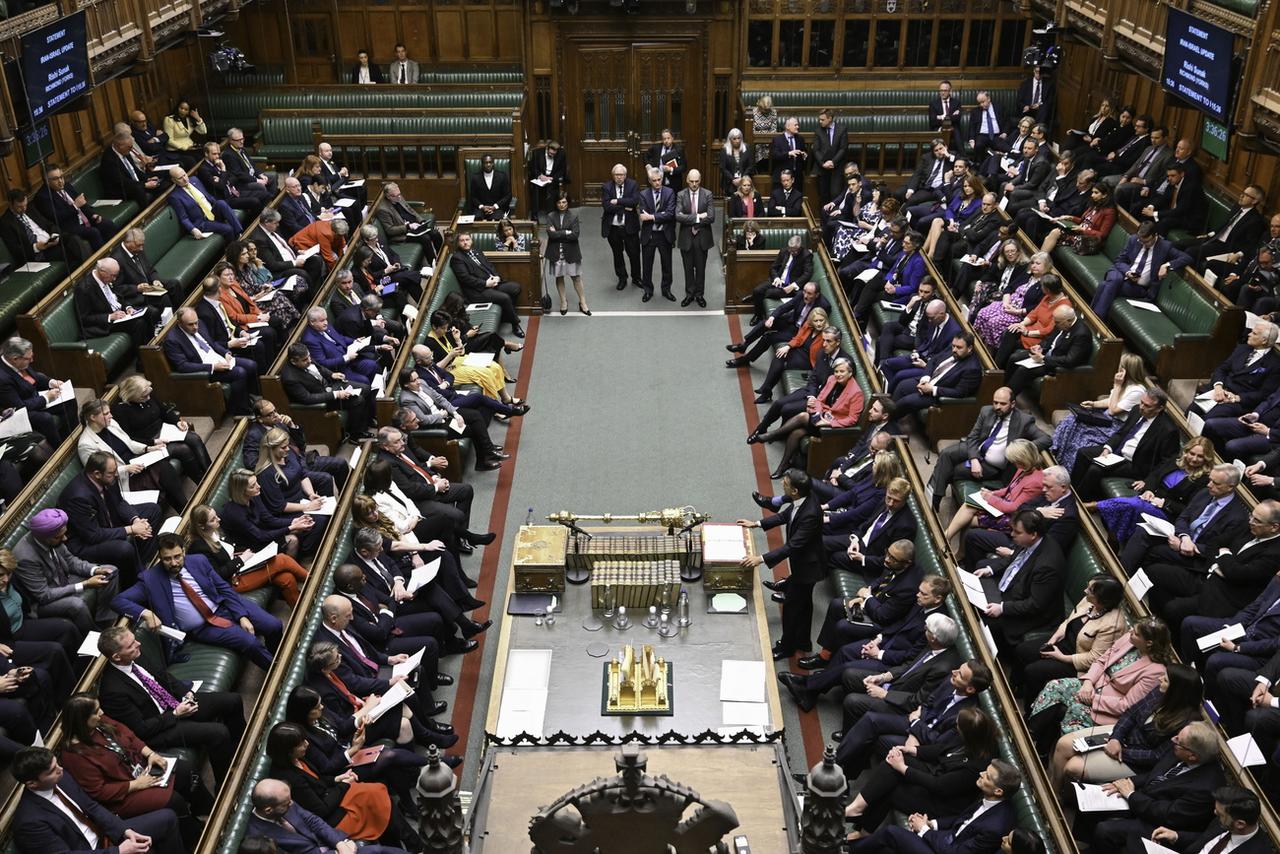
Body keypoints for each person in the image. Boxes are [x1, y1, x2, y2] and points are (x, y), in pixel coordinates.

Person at [58, 693, 211, 849]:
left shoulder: (99, 722)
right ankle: (196, 840)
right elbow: (100, 791)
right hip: (121, 795)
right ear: (82, 720)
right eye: (96, 711)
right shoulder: (74, 755)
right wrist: (137, 784)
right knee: (173, 800)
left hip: (139, 767)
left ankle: (207, 813)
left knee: (185, 771)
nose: (102, 713)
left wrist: (150, 754)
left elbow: (128, 735)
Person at [96, 625, 246, 784]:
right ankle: (225, 783)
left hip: (173, 704)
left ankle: (240, 749)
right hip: (158, 727)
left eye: (135, 640)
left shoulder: (135, 656)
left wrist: (185, 693)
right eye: (131, 645)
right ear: (117, 657)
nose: (138, 644)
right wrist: (175, 714)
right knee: (218, 733)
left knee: (233, 701)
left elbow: (162, 676)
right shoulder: (112, 691)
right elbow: (141, 729)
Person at [112, 533, 282, 668]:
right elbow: (118, 601)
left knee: (274, 625)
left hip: (224, 606)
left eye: (177, 556)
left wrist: (241, 616)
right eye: (167, 559)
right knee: (250, 643)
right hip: (203, 627)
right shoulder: (150, 580)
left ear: (184, 552)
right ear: (160, 558)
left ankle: (274, 656)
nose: (173, 562)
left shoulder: (198, 561)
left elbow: (224, 589)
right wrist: (146, 613)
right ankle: (276, 675)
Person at [843, 707, 999, 836]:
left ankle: (862, 831)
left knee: (893, 788)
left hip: (943, 802)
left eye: (958, 726)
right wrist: (912, 750)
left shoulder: (975, 767)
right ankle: (857, 808)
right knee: (895, 760)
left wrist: (903, 768)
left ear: (968, 735)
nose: (956, 727)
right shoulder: (970, 738)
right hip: (938, 774)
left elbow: (940, 786)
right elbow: (940, 749)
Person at [265, 722, 416, 850]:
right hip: (331, 818)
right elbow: (321, 810)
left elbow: (319, 780)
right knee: (376, 797)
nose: (307, 744)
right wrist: (343, 785)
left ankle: (406, 844)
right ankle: (413, 844)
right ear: (289, 752)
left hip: (332, 797)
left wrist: (338, 778)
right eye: (301, 744)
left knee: (377, 794)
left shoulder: (299, 758)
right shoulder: (290, 779)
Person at [1049, 663, 1202, 787]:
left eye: (1166, 679)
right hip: (1121, 736)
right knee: (1064, 744)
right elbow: (1131, 713)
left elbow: (1157, 757)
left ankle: (1067, 799)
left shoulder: (1186, 723)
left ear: (1177, 691)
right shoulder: (1160, 691)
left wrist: (1120, 750)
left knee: (1073, 767)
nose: (1160, 679)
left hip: (1135, 760)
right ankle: (1054, 792)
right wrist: (1116, 738)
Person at [1028, 618, 1172, 748]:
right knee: (1054, 686)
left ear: (1149, 643)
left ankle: (1047, 751)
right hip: (1092, 685)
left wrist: (1092, 699)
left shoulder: (1156, 671)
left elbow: (1127, 705)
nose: (1130, 632)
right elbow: (1101, 661)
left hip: (1107, 706)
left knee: (1076, 709)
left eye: (1136, 633)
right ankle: (1030, 735)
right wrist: (1088, 683)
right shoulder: (1129, 639)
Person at [11, 747, 184, 854]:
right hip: (92, 851)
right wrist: (118, 852)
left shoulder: (61, 779)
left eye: (57, 764)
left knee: (167, 819)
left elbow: (91, 807)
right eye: (52, 770)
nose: (61, 770)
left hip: (106, 837)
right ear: (32, 783)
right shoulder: (29, 822)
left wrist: (124, 830)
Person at [1087, 722, 1222, 850]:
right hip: (1145, 799)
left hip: (1160, 824)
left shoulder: (1205, 788)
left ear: (1192, 756)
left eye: (1178, 741)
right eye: (1177, 735)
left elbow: (1168, 815)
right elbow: (1154, 774)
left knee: (1105, 830)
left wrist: (1131, 795)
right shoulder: (1182, 748)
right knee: (1096, 797)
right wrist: (1129, 782)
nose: (1172, 740)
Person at [845, 759, 1021, 854]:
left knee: (891, 833)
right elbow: (962, 820)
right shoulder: (989, 798)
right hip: (946, 839)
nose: (982, 773)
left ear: (998, 791)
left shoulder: (995, 827)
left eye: (988, 776)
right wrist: (932, 824)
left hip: (948, 850)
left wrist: (924, 831)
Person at [738, 469, 824, 660]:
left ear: (794, 491)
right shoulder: (803, 498)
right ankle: (803, 641)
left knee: (792, 609)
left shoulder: (810, 513)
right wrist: (757, 523)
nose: (782, 484)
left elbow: (792, 546)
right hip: (805, 563)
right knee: (804, 605)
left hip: (807, 568)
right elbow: (785, 516)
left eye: (785, 483)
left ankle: (787, 647)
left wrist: (760, 558)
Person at [926, 386, 1050, 512]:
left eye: (1003, 404)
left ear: (1013, 404)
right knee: (946, 453)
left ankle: (932, 499)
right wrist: (974, 459)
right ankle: (934, 499)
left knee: (954, 470)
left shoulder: (1024, 420)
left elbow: (1046, 439)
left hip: (993, 465)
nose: (997, 407)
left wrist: (1022, 449)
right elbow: (973, 437)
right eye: (995, 402)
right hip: (979, 450)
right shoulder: (986, 411)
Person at [1015, 573, 1128, 703]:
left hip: (1078, 661)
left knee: (1033, 671)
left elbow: (1094, 659)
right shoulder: (1088, 600)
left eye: (1090, 590)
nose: (1085, 591)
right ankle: (1016, 689)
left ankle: (1030, 709)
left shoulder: (1113, 625)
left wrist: (1060, 657)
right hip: (1065, 643)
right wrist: (1052, 640)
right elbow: (1070, 620)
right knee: (1023, 649)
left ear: (1102, 599)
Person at [57, 451, 163, 588]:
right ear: (97, 474)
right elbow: (92, 535)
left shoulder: (108, 478)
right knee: (124, 549)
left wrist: (135, 520)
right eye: (112, 473)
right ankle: (134, 584)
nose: (116, 475)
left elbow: (119, 503)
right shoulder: (78, 497)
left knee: (153, 510)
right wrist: (130, 529)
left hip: (108, 521)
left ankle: (141, 564)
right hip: (84, 544)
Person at [12, 508, 118, 635]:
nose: (65, 539)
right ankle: (96, 638)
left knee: (111, 571)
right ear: (44, 538)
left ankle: (106, 622)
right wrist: (85, 584)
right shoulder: (25, 557)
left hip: (64, 580)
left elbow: (71, 561)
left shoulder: (53, 537)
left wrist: (95, 570)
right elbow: (43, 595)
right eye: (59, 537)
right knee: (76, 605)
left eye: (64, 533)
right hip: (42, 602)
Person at [1090, 436, 1213, 544]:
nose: (1194, 458)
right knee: (1129, 507)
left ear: (1206, 459)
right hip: (1149, 499)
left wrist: (1165, 504)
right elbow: (1155, 475)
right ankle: (1114, 541)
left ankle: (1095, 506)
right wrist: (1149, 489)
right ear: (1186, 451)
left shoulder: (1204, 480)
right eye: (1192, 453)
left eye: (1200, 456)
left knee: (1133, 505)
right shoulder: (1176, 461)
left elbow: (1190, 510)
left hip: (1167, 513)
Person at [751, 358, 863, 477]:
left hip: (832, 429)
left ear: (850, 373)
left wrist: (829, 423)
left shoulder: (856, 393)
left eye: (842, 371)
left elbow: (852, 419)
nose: (838, 375)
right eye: (836, 371)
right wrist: (817, 413)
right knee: (797, 433)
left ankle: (772, 435)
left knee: (803, 416)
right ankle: (782, 466)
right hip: (821, 416)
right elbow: (820, 399)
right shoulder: (832, 379)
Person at [77, 397, 190, 514]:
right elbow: (99, 473)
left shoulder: (111, 424)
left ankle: (185, 510)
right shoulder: (86, 444)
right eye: (106, 413)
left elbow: (129, 442)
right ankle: (186, 511)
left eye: (109, 412)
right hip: (124, 479)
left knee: (164, 467)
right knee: (163, 473)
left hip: (138, 463)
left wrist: (147, 448)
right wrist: (126, 468)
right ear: (93, 417)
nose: (111, 416)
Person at [1070, 387, 1182, 500]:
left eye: (1147, 406)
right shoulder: (1136, 410)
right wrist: (1107, 449)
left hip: (1135, 464)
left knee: (1095, 469)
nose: (1142, 407)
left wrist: (1148, 481)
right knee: (1083, 453)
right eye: (1141, 402)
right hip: (1117, 454)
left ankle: (1081, 502)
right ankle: (1071, 491)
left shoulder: (1168, 430)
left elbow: (1167, 462)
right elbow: (1121, 433)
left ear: (1159, 408)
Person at [188, 502, 309, 606]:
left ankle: (300, 610)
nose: (218, 519)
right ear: (201, 526)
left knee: (286, 578)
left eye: (216, 516)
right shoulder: (199, 547)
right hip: (233, 581)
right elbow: (218, 575)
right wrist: (241, 560)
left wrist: (250, 555)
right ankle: (312, 581)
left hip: (243, 567)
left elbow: (232, 548)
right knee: (281, 560)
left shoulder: (216, 530)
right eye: (213, 519)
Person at [247, 778, 410, 854]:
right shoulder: (258, 837)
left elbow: (314, 821)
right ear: (268, 810)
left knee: (383, 851)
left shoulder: (283, 801)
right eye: (286, 803)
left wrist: (339, 843)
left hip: (333, 846)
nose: (291, 804)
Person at [398, 369, 508, 472]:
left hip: (446, 413)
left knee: (475, 415)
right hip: (436, 425)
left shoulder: (422, 383)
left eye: (417, 378)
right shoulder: (407, 399)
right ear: (406, 385)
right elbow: (423, 420)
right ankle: (485, 456)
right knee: (473, 428)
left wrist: (455, 413)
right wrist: (441, 415)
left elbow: (440, 398)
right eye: (414, 380)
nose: (418, 382)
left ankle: (487, 452)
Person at [942, 438, 1045, 546]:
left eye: (1017, 461)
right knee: (969, 505)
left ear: (1024, 459)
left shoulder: (1036, 482)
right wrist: (992, 493)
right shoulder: (1024, 468)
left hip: (1012, 518)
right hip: (1003, 505)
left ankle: (951, 545)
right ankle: (946, 538)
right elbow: (1009, 489)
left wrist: (990, 498)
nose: (1015, 464)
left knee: (968, 520)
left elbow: (1014, 508)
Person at [1091, 221, 1193, 320]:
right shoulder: (1134, 240)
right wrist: (1128, 272)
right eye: (1141, 241)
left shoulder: (1164, 247)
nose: (1143, 244)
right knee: (1115, 280)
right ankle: (1097, 319)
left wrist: (1167, 265)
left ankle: (1094, 319)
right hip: (1121, 273)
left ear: (1155, 235)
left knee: (1105, 285)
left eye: (1147, 241)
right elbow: (1119, 260)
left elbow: (1187, 257)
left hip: (1136, 287)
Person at [222, 466, 322, 561]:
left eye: (256, 482)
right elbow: (259, 537)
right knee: (292, 539)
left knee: (304, 525)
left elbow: (268, 519)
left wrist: (293, 521)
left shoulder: (254, 495)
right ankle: (292, 568)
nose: (259, 486)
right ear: (241, 491)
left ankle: (305, 559)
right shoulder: (234, 513)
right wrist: (291, 527)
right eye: (253, 486)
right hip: (250, 546)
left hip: (262, 531)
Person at [280, 344, 376, 442]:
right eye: (305, 359)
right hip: (322, 400)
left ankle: (366, 422)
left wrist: (331, 374)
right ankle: (356, 435)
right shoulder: (290, 378)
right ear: (293, 361)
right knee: (358, 400)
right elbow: (307, 398)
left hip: (329, 386)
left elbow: (319, 368)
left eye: (309, 356)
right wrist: (336, 394)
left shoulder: (305, 358)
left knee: (366, 388)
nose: (309, 360)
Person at [1145, 786, 1270, 854]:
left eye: (1220, 814)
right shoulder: (1225, 822)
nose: (1215, 813)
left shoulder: (1259, 851)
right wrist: (1176, 836)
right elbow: (1205, 839)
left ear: (1240, 824)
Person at [448, 231, 524, 337]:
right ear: (458, 243)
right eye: (462, 241)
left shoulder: (476, 251)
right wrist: (485, 283)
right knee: (505, 297)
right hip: (477, 291)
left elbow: (489, 266)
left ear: (471, 240)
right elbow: (465, 278)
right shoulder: (457, 258)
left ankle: (506, 316)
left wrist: (496, 277)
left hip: (491, 282)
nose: (465, 243)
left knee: (516, 288)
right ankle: (515, 324)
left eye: (467, 239)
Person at [0, 336, 75, 444]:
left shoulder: (18, 361)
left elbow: (34, 376)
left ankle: (71, 437)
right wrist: (46, 398)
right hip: (18, 412)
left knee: (69, 400)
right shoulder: (2, 379)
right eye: (29, 358)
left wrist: (51, 382)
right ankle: (59, 450)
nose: (32, 360)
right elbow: (19, 407)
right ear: (15, 359)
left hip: (33, 398)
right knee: (45, 418)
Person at [972, 250, 1050, 348]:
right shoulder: (1027, 275)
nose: (1034, 266)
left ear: (1046, 266)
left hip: (1019, 313)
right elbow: (1009, 288)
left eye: (1038, 263)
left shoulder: (1045, 284)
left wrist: (1017, 311)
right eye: (1032, 263)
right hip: (1006, 304)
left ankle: (989, 351)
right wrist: (1005, 302)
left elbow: (1036, 307)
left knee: (994, 322)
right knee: (982, 313)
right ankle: (975, 343)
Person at [74, 258, 153, 348]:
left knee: (150, 311)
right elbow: (83, 318)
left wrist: (128, 308)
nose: (114, 279)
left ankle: (154, 346)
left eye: (116, 276)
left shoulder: (108, 278)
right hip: (105, 324)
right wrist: (110, 316)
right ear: (102, 272)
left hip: (121, 314)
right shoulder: (84, 288)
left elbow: (119, 297)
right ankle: (143, 357)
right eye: (113, 276)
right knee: (139, 324)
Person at [35, 164, 116, 252]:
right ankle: (103, 258)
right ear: (47, 181)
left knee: (107, 224)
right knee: (93, 232)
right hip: (69, 227)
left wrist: (93, 215)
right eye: (55, 179)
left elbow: (82, 203)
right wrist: (74, 206)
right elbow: (57, 217)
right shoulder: (42, 197)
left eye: (61, 177)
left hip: (83, 220)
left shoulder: (67, 186)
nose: (61, 181)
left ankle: (115, 252)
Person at [111, 227, 184, 312]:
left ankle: (182, 313)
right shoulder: (116, 259)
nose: (141, 248)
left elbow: (150, 269)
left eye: (142, 245)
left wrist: (155, 279)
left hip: (150, 286)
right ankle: (171, 322)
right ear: (128, 243)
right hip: (137, 294)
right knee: (163, 297)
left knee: (174, 284)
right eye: (139, 245)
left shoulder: (137, 249)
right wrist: (137, 288)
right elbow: (117, 288)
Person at [1038, 180, 1118, 256]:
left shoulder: (1110, 212)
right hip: (1079, 233)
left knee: (1054, 233)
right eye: (1092, 192)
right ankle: (1040, 260)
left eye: (1096, 193)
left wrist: (1083, 230)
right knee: (1052, 234)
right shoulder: (1095, 204)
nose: (1092, 195)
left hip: (1089, 240)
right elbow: (1083, 221)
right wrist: (1069, 217)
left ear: (1104, 195)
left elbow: (1102, 234)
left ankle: (1039, 260)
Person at [167, 166, 240, 241]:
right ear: (174, 180)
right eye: (180, 178)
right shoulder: (175, 196)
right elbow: (183, 218)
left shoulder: (194, 180)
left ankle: (240, 234)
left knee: (221, 203)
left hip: (213, 212)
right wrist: (193, 230)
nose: (185, 179)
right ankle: (234, 248)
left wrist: (226, 210)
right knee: (228, 229)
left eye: (184, 175)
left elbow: (208, 196)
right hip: (203, 222)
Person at [636, 169, 676, 303]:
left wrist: (652, 216)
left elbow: (670, 214)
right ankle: (648, 290)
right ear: (649, 181)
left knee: (667, 264)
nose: (657, 182)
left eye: (659, 179)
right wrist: (660, 216)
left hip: (665, 234)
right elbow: (642, 215)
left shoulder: (669, 192)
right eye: (654, 180)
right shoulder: (643, 195)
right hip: (650, 234)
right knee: (647, 265)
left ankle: (666, 290)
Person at [676, 169, 715, 307]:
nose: (694, 184)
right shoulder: (681, 194)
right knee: (687, 268)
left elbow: (711, 217)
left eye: (696, 181)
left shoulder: (707, 194)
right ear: (687, 181)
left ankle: (699, 295)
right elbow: (678, 216)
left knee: (700, 268)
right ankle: (689, 294)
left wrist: (688, 218)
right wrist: (698, 216)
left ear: (700, 180)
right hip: (686, 236)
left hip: (702, 237)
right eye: (691, 181)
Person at [99, 130, 163, 208]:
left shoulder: (125, 151)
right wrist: (144, 185)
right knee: (139, 189)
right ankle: (147, 215)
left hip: (133, 183)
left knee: (159, 178)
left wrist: (148, 179)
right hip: (119, 190)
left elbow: (135, 170)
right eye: (129, 147)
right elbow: (121, 181)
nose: (131, 149)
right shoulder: (109, 159)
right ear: (120, 146)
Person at [810, 109, 848, 203]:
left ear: (830, 118)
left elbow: (843, 148)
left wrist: (833, 162)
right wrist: (823, 163)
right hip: (822, 168)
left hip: (837, 167)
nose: (820, 122)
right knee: (823, 195)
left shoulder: (841, 129)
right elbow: (816, 150)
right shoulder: (818, 131)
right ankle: (825, 217)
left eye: (822, 119)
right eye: (819, 119)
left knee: (836, 193)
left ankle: (835, 217)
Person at [527, 140, 567, 219]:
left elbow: (562, 170)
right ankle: (534, 215)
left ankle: (551, 214)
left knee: (551, 188)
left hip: (552, 177)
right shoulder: (537, 153)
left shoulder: (561, 154)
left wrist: (552, 178)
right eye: (550, 153)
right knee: (535, 188)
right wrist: (539, 176)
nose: (552, 155)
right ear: (547, 149)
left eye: (554, 154)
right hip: (540, 177)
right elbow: (533, 168)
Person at [467, 153, 512, 220]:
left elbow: (507, 195)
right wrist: (482, 207)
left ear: (493, 163)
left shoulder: (502, 176)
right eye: (486, 163)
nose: (488, 165)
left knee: (497, 219)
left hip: (497, 208)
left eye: (490, 162)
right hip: (481, 209)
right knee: (476, 218)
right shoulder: (475, 178)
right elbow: (473, 197)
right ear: (482, 164)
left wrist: (495, 206)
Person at [770, 116, 807, 181]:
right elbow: (775, 155)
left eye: (797, 125)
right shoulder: (777, 140)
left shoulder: (800, 139)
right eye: (795, 125)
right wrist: (789, 153)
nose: (797, 127)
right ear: (787, 127)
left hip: (797, 177)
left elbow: (804, 152)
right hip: (782, 177)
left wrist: (804, 154)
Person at [719, 128, 754, 197]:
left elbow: (751, 165)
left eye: (739, 138)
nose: (737, 141)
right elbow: (723, 168)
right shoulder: (724, 150)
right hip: (729, 183)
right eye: (734, 139)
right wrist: (732, 179)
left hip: (745, 183)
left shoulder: (747, 148)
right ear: (730, 139)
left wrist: (743, 179)